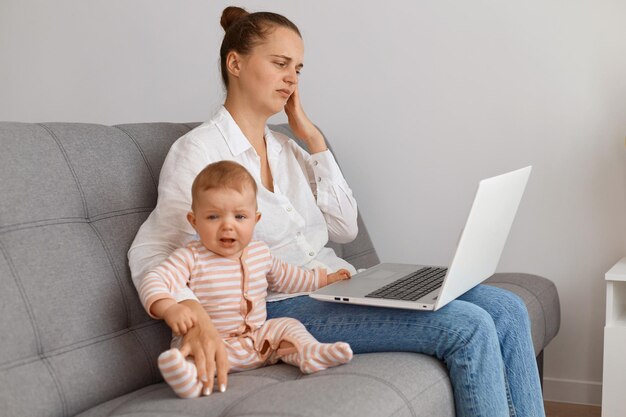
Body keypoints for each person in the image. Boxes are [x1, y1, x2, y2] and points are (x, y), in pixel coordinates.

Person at [128, 6, 545, 416]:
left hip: (334, 286)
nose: (291, 77)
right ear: (235, 63)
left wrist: (311, 135)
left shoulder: (288, 148)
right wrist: (194, 314)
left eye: (298, 68)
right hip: (282, 306)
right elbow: (151, 253)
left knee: (506, 308)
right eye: (279, 63)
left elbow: (345, 228)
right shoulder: (198, 152)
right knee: (467, 325)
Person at [139, 160, 353, 398]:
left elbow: (289, 278)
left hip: (258, 341)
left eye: (240, 217)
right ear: (194, 221)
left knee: (287, 325)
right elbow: (154, 279)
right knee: (190, 354)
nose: (227, 226)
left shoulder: (260, 253)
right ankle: (191, 380)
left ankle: (310, 353)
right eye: (213, 217)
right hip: (216, 343)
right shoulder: (190, 257)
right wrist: (169, 308)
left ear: (255, 219)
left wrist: (323, 279)